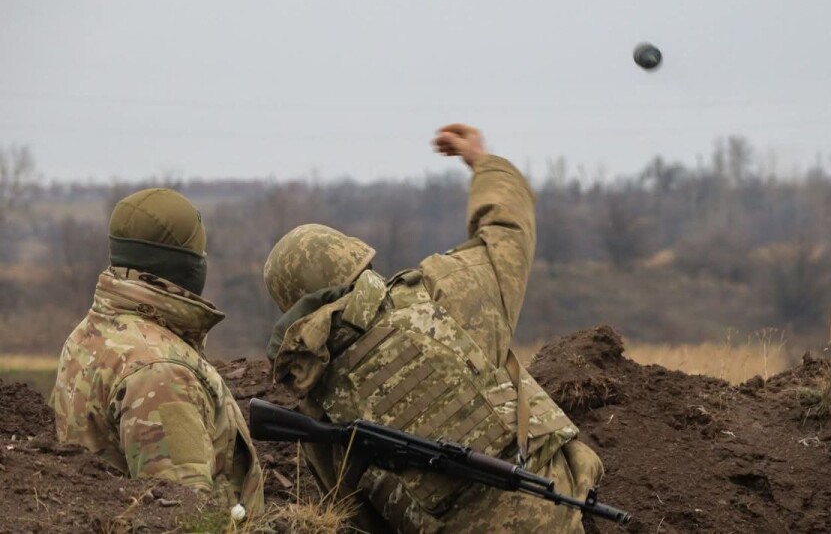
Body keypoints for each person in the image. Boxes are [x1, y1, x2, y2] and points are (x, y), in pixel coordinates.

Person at [264, 123, 603, 533]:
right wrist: (483, 162)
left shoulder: (317, 401)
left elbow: (358, 516)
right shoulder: (442, 291)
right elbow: (507, 232)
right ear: (357, 261)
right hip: (558, 516)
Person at [51, 188, 264, 512]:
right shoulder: (161, 372)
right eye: (199, 256)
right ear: (185, 266)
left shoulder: (91, 334)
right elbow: (182, 515)